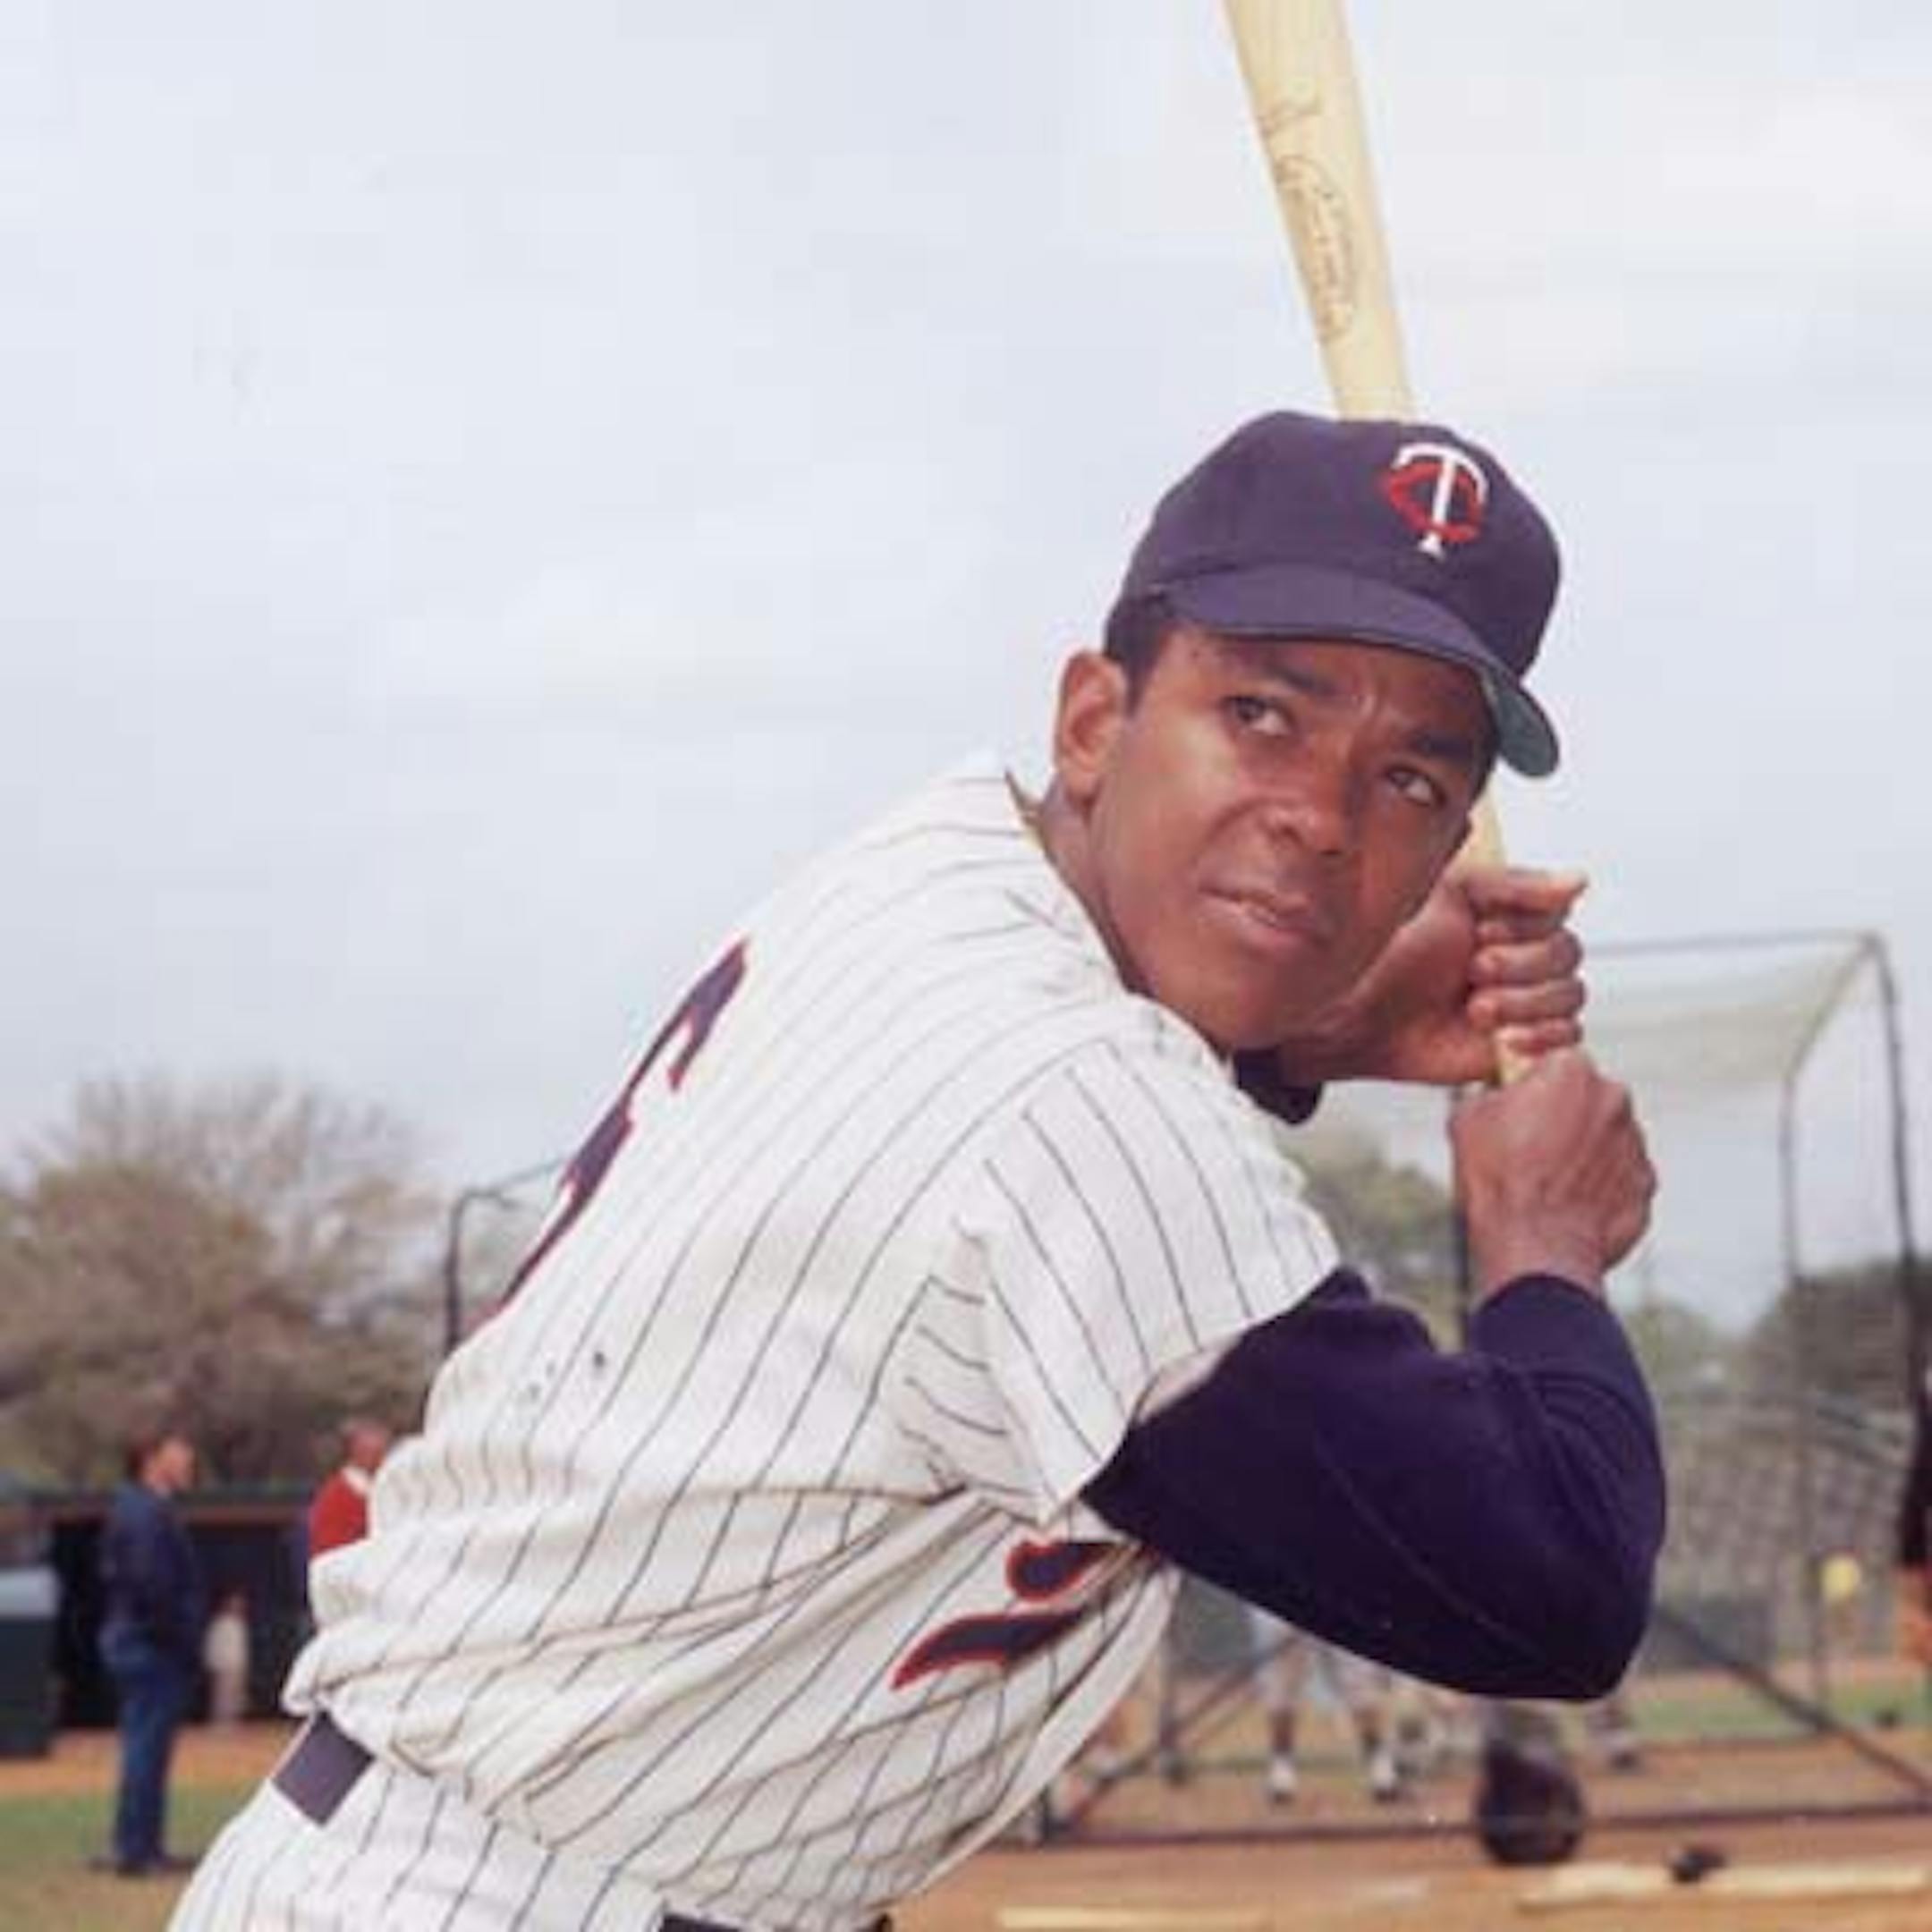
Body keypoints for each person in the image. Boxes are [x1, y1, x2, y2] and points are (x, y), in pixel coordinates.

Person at [173, 409, 1665, 1932]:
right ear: (1096, 717)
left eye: (1413, 782)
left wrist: (1308, 1035)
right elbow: (1543, 1583)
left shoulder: (933, 871)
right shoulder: (1080, 1107)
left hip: (458, 1862)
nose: (1320, 822)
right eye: (1265, 715)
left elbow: (1037, 1107)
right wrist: (1543, 1240)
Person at [97, 1429, 206, 1879]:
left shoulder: (142, 1507)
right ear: (151, 1456)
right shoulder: (143, 1512)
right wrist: (180, 1635)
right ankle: (137, 1851)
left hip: (142, 1642)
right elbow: (151, 1587)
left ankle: (139, 1843)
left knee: (145, 1748)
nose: (188, 1459)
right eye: (179, 1450)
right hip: (150, 1646)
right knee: (146, 1748)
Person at [1245, 1606, 1400, 1805]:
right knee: (1281, 1684)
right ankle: (1281, 1777)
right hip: (1298, 1598)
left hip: (1333, 1596)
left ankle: (1382, 1774)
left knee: (1360, 1681)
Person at [307, 1418, 394, 1563]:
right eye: (371, 1450)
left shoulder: (388, 1488)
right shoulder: (337, 1496)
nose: (381, 1456)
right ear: (354, 1449)